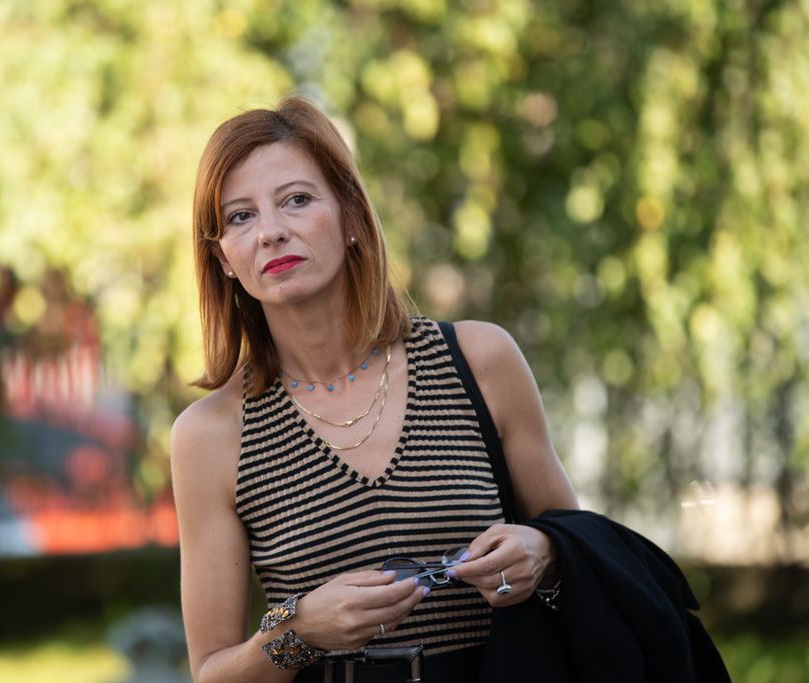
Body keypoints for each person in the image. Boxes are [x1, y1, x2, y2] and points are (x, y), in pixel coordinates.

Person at [171, 97, 729, 683]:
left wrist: (543, 552)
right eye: (241, 217)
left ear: (352, 217)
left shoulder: (480, 360)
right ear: (223, 259)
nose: (271, 232)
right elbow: (212, 671)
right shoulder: (211, 435)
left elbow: (575, 546)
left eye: (297, 200)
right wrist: (300, 632)